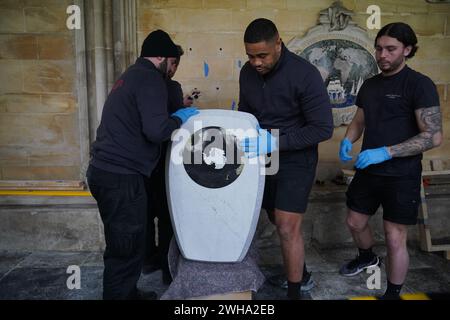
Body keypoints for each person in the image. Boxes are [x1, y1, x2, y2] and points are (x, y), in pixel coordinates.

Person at [86, 29, 199, 300]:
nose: (171, 70)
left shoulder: (131, 76)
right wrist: (179, 118)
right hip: (121, 177)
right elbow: (157, 131)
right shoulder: (150, 78)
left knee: (127, 244)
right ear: (160, 56)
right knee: (124, 249)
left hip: (106, 172)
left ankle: (128, 293)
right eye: (171, 62)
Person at [338, 22, 442, 300]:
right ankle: (367, 257)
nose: (382, 55)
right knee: (354, 222)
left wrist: (387, 151)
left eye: (391, 49)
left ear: (407, 50)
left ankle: (393, 293)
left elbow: (433, 137)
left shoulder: (420, 84)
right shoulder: (370, 85)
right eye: (379, 48)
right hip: (368, 171)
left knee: (395, 236)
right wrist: (348, 138)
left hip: (402, 174)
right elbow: (359, 120)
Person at [238, 18, 333, 300]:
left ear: (278, 43)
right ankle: (300, 273)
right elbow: (245, 111)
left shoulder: (305, 74)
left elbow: (323, 128)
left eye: (262, 55)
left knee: (287, 226)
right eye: (250, 56)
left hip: (296, 158)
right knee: (271, 213)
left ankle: (295, 293)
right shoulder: (247, 73)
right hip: (263, 156)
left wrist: (276, 140)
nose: (255, 62)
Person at [143, 45, 201, 285]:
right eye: (175, 64)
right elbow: (172, 122)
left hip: (143, 164)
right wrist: (181, 107)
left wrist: (180, 105)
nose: (174, 69)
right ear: (170, 62)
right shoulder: (172, 87)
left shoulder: (142, 84)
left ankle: (147, 261)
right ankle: (169, 271)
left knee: (145, 216)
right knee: (168, 218)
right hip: (167, 164)